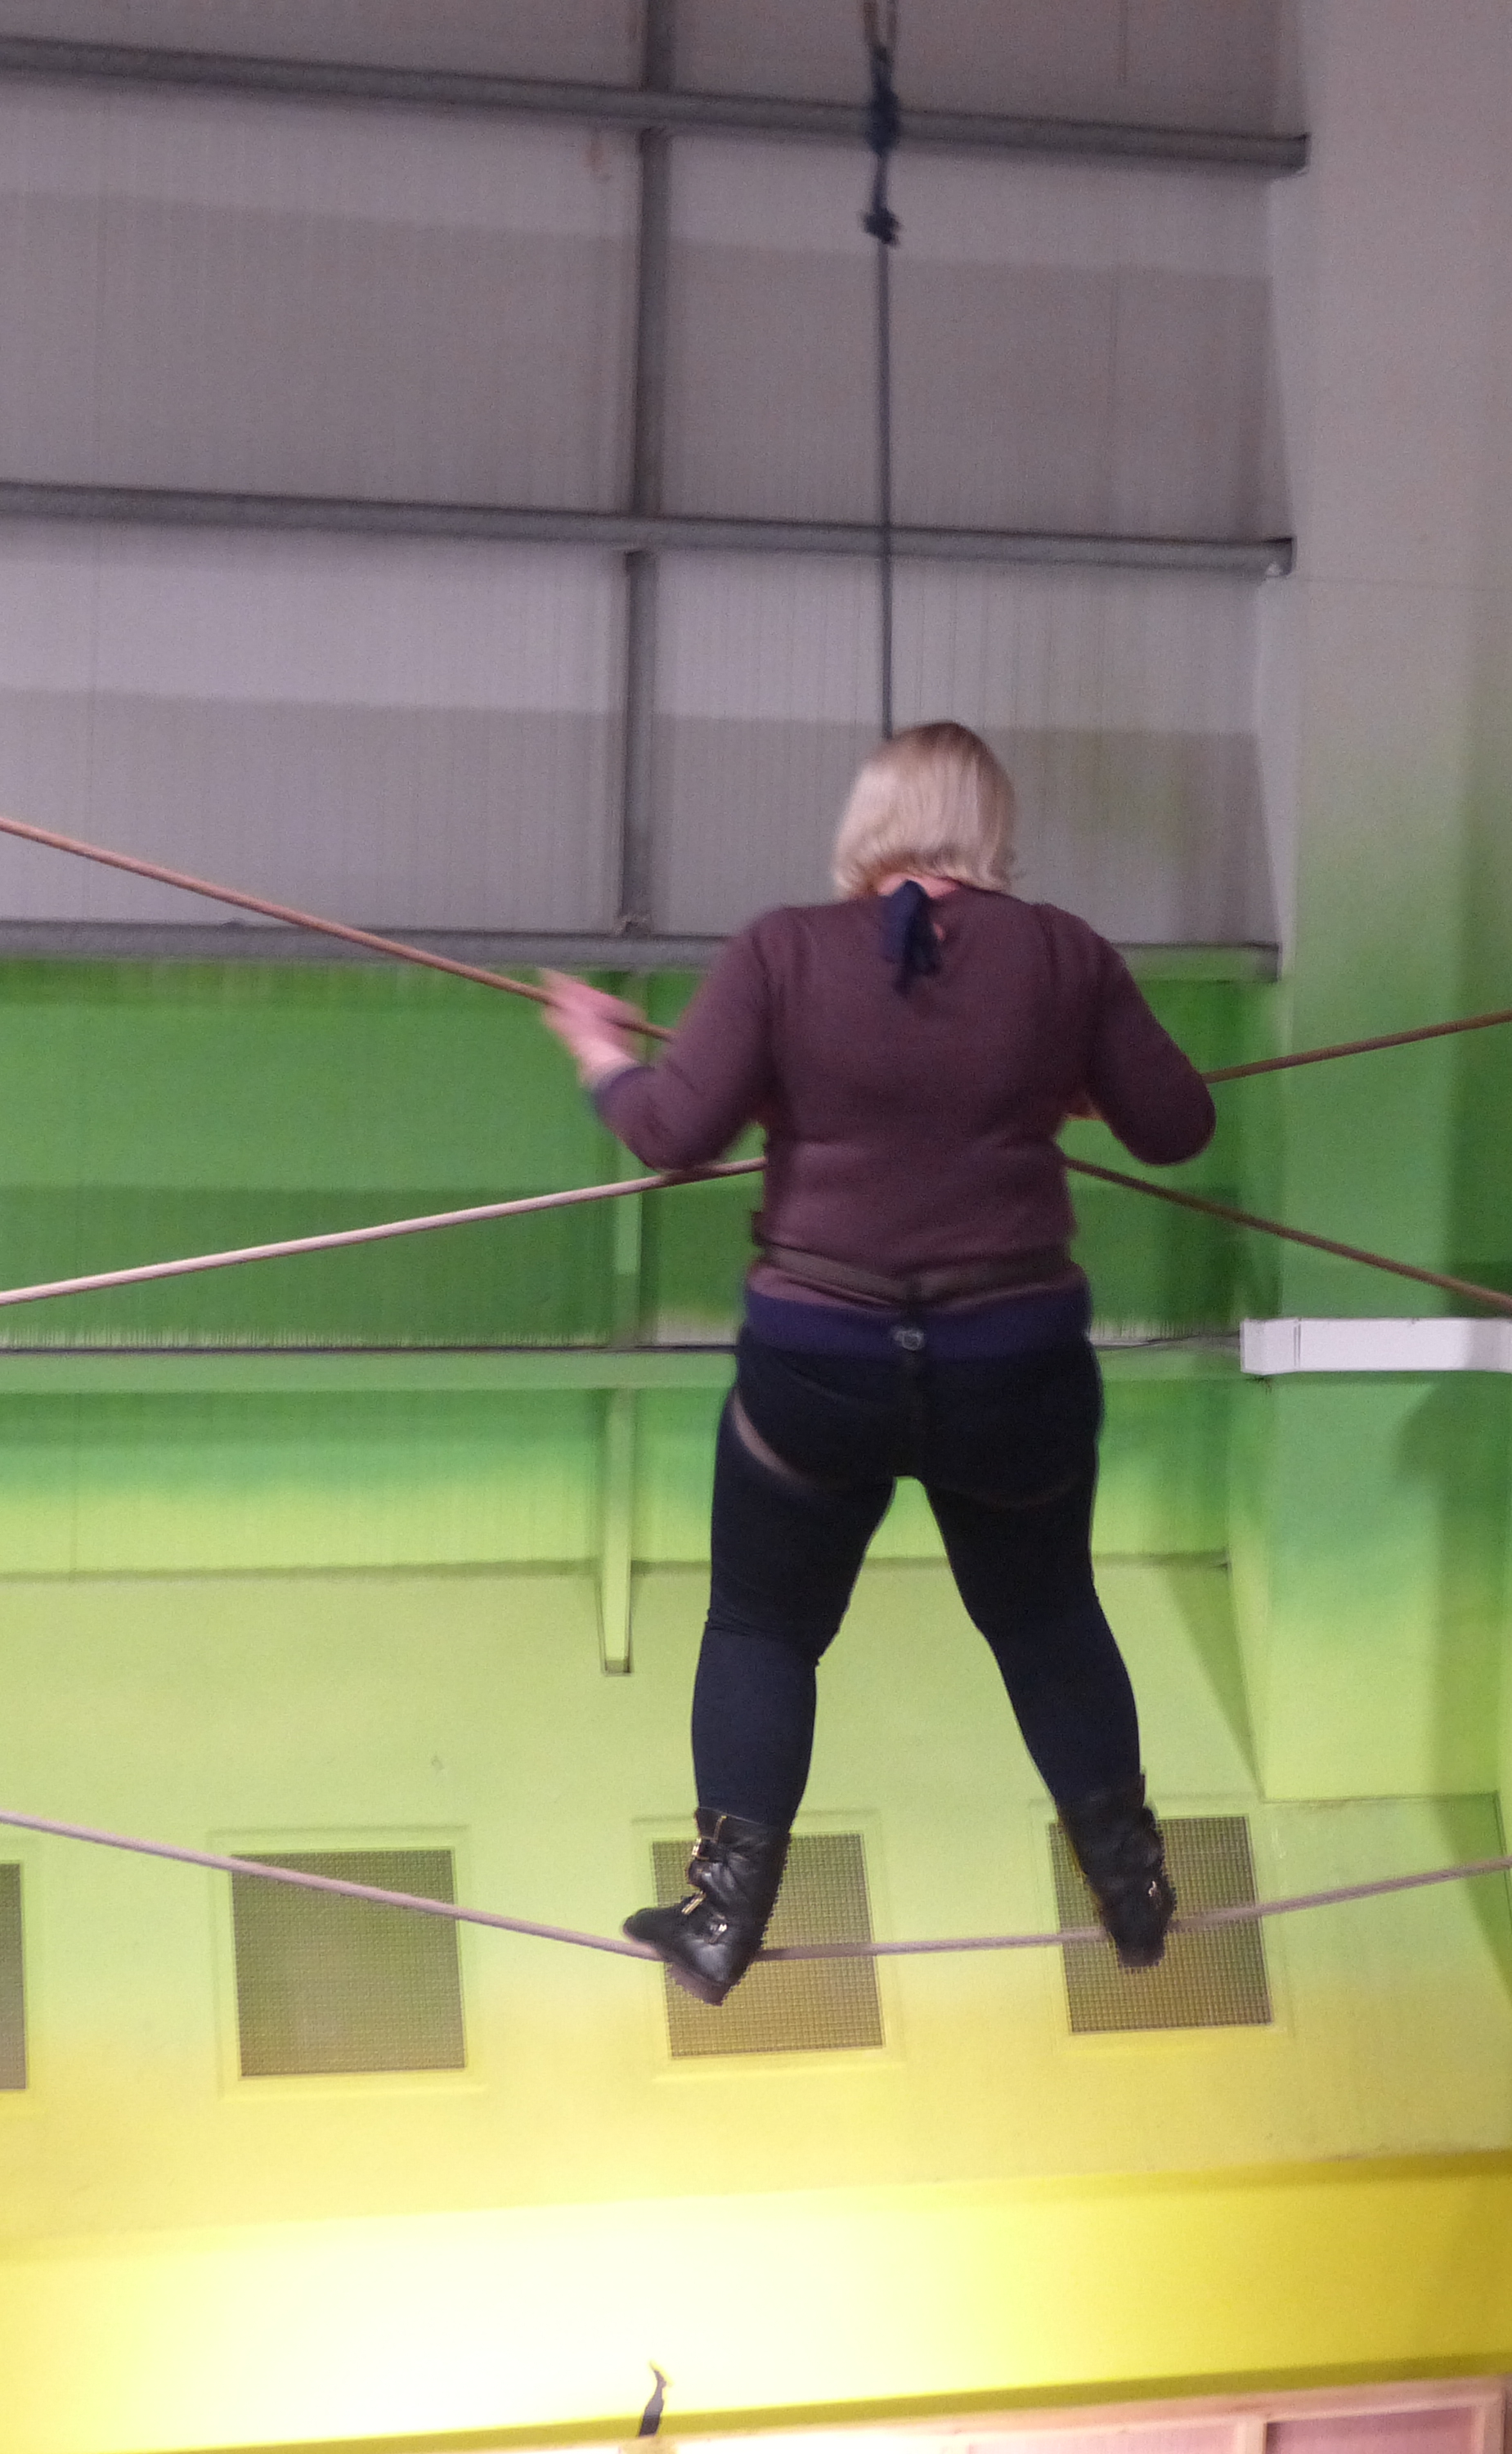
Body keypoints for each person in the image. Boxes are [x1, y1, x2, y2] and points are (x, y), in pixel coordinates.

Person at [541, 721, 1218, 2003]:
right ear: (992, 828)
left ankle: (722, 1922)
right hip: (1011, 1366)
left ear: (869, 821)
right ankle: (1134, 1896)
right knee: (1046, 1618)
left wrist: (599, 1052)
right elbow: (1177, 1126)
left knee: (763, 1627)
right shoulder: (1064, 954)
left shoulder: (783, 950)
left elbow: (674, 1131)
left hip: (821, 1365)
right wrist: (1061, 1072)